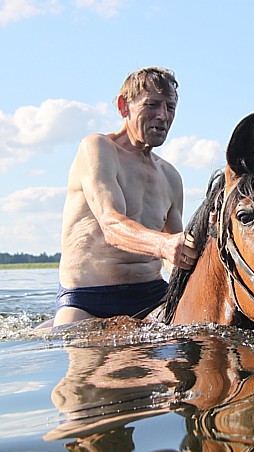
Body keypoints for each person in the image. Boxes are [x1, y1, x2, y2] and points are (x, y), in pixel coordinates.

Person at [45, 67, 197, 328]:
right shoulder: (98, 148)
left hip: (153, 296)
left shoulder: (171, 176)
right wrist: (164, 245)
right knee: (70, 351)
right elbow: (111, 225)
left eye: (170, 108)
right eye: (152, 105)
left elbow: (175, 260)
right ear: (123, 106)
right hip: (89, 299)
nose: (162, 116)